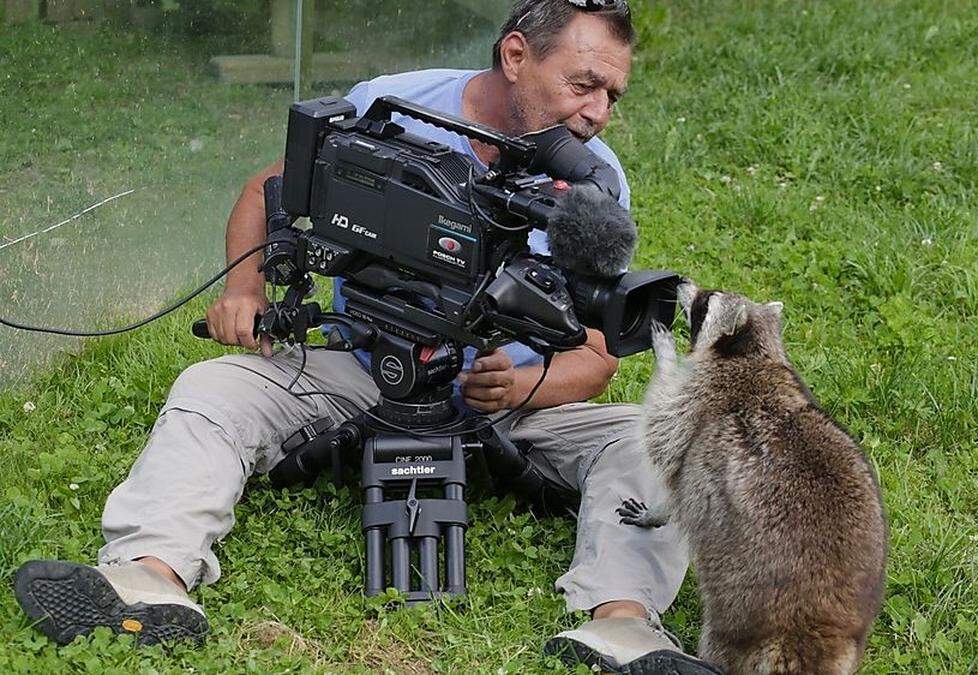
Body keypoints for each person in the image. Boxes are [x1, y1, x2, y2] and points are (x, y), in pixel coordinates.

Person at [13, 1, 718, 672]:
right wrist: (244, 290)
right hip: (367, 364)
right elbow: (272, 187)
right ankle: (148, 576)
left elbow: (596, 356)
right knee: (214, 388)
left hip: (508, 397)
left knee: (659, 441)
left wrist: (526, 380)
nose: (597, 110)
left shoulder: (597, 185)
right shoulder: (396, 103)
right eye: (584, 83)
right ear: (514, 55)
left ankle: (622, 623)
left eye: (612, 95)